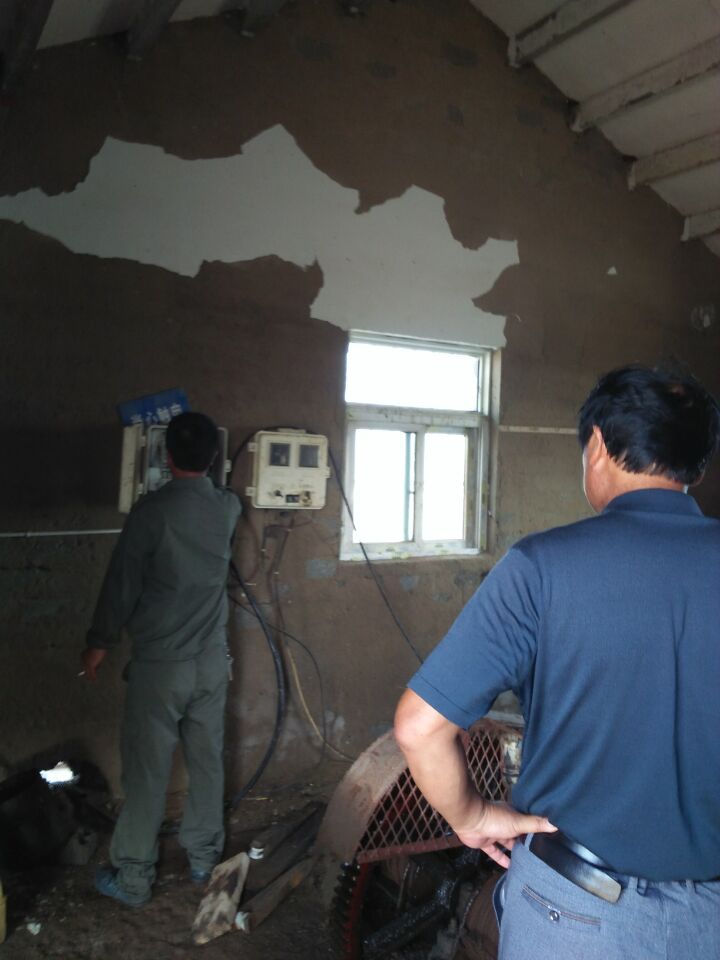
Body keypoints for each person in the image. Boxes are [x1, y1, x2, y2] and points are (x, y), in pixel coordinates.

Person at [394, 365, 720, 959]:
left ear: (597, 444)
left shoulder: (540, 568)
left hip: (574, 913)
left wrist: (473, 817)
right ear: (696, 469)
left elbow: (420, 727)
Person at [83, 411, 241, 907]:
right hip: (211, 664)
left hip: (161, 668)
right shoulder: (228, 508)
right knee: (207, 761)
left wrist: (99, 643)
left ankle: (133, 879)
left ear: (165, 456)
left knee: (147, 772)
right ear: (214, 458)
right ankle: (203, 859)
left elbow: (122, 584)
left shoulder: (150, 513)